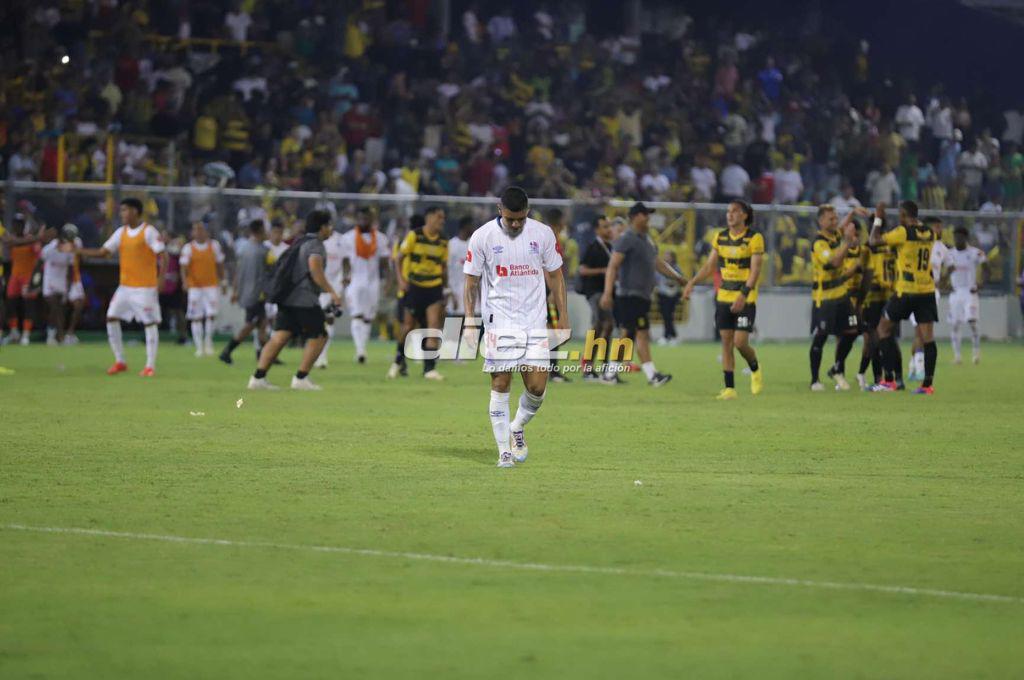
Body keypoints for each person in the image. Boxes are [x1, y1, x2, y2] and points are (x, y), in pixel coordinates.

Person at [462, 186, 568, 468]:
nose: (516, 224)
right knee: (500, 383)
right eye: (511, 219)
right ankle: (503, 453)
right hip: (500, 320)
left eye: (521, 218)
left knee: (537, 388)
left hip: (535, 320)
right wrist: (471, 321)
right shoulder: (482, 236)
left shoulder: (543, 234)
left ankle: (517, 427)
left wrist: (563, 318)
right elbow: (471, 282)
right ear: (500, 211)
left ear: (527, 212)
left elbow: (556, 276)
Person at [248, 210, 342, 390]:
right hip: (303, 298)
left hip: (287, 296)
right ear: (322, 227)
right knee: (320, 335)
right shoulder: (315, 245)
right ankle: (301, 377)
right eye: (329, 226)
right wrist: (332, 292)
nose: (330, 230)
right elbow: (315, 270)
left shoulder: (299, 242)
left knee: (280, 335)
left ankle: (258, 378)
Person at [683, 200, 764, 399]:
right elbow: (710, 267)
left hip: (745, 298)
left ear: (744, 215)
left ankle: (755, 367)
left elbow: (755, 271)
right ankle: (729, 388)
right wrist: (692, 282)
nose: (730, 215)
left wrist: (743, 295)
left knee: (740, 342)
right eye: (728, 211)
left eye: (735, 211)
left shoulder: (755, 238)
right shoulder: (719, 237)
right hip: (724, 296)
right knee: (726, 343)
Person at [78, 198, 168, 377]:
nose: (122, 214)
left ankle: (150, 366)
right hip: (125, 287)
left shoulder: (148, 232)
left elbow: (163, 255)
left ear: (135, 211)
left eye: (125, 210)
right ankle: (120, 361)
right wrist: (78, 251)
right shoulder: (121, 233)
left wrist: (161, 279)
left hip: (145, 287)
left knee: (149, 323)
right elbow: (104, 252)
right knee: (111, 318)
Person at [600, 202, 684, 387]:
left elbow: (659, 264)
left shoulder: (647, 240)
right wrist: (607, 293)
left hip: (641, 296)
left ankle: (611, 373)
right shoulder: (627, 238)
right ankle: (651, 375)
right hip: (629, 295)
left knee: (631, 335)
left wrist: (678, 278)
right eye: (645, 214)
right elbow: (613, 266)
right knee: (637, 333)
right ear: (635, 217)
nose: (648, 218)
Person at [869, 201, 940, 394]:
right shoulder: (930, 233)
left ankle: (889, 381)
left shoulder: (902, 232)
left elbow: (873, 241)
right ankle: (927, 385)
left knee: (883, 329)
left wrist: (878, 218)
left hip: (906, 291)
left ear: (902, 214)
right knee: (928, 338)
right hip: (926, 290)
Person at [388, 206, 448, 381]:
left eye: (443, 218)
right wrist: (400, 281)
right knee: (408, 327)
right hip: (415, 287)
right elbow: (398, 258)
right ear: (429, 218)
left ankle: (429, 369)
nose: (442, 221)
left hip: (434, 287)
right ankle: (398, 361)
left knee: (433, 327)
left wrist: (446, 288)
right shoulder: (415, 235)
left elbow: (443, 267)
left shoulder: (444, 240)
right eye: (439, 217)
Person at [808, 204, 863, 391]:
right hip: (825, 297)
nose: (835, 221)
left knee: (852, 331)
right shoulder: (819, 243)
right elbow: (834, 261)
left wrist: (853, 213)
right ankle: (814, 380)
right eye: (831, 218)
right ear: (821, 221)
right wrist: (847, 243)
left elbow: (843, 228)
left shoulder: (835, 235)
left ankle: (837, 367)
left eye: (835, 217)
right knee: (821, 336)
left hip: (842, 294)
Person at [339, 206, 390, 363]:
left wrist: (388, 280)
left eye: (366, 218)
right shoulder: (348, 237)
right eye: (360, 218)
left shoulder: (381, 238)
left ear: (372, 220)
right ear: (356, 219)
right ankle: (360, 351)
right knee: (357, 314)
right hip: (355, 280)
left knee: (368, 317)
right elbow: (346, 260)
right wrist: (346, 276)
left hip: (373, 282)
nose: (363, 221)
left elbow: (384, 262)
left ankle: (362, 349)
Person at [220, 220, 272, 364]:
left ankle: (265, 356)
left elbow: (238, 272)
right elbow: (271, 272)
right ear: (260, 231)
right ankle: (227, 351)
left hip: (247, 292)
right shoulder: (263, 251)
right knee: (250, 325)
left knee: (262, 325)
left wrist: (236, 291)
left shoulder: (244, 249)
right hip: (257, 294)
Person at [907, 217, 947, 380]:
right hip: (916, 291)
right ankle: (919, 367)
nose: (939, 230)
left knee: (924, 332)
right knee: (920, 332)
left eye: (940, 226)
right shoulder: (917, 244)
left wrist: (942, 282)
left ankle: (913, 365)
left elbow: (946, 268)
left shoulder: (942, 248)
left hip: (932, 292)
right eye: (936, 226)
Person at [857, 224, 897, 389]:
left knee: (876, 339)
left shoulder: (869, 247)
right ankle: (888, 378)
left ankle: (882, 378)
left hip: (875, 298)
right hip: (887, 296)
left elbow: (863, 271)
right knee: (882, 338)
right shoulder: (892, 247)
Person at [943, 226, 988, 364]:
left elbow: (987, 267)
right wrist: (945, 283)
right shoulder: (949, 254)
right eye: (955, 237)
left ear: (965, 238)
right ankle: (957, 357)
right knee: (955, 325)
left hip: (970, 292)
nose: (957, 239)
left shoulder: (975, 253)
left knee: (972, 322)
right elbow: (948, 272)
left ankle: (976, 354)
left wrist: (981, 284)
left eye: (960, 237)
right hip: (956, 293)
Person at [180, 222, 226, 357]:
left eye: (201, 230)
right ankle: (199, 346)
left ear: (207, 232)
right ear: (192, 233)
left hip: (211, 285)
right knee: (196, 316)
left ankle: (208, 342)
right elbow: (183, 267)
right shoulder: (188, 248)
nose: (198, 232)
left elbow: (220, 264)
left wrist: (223, 281)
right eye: (196, 230)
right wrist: (184, 282)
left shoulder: (214, 246)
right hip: (195, 287)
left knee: (211, 314)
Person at [577, 215, 614, 380]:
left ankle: (593, 365)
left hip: (607, 291)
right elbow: (582, 270)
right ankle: (594, 366)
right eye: (605, 226)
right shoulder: (593, 247)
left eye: (609, 226)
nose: (608, 229)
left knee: (602, 326)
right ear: (597, 230)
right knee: (606, 324)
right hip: (595, 291)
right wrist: (602, 271)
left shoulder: (611, 247)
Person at [2, 213, 43, 345]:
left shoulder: (31, 240)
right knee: (10, 303)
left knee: (28, 305)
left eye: (20, 224)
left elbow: (39, 258)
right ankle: (14, 332)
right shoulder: (12, 240)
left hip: (28, 276)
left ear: (24, 225)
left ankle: (26, 334)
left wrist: (36, 279)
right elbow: (9, 246)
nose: (17, 226)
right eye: (15, 224)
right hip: (15, 275)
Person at [312, 215, 348, 369]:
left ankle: (322, 356)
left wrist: (346, 276)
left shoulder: (341, 240)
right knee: (319, 320)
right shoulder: (317, 241)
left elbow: (346, 261)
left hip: (335, 284)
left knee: (330, 318)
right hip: (320, 284)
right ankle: (317, 354)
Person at [40, 224, 78, 345]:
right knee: (54, 306)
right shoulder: (50, 248)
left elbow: (71, 268)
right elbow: (40, 261)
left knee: (59, 309)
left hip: (62, 282)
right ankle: (59, 335)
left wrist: (69, 285)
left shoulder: (70, 248)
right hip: (49, 280)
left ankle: (53, 334)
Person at [447, 216, 474, 316]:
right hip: (455, 296)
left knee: (471, 330)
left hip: (472, 297)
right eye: (472, 226)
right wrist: (450, 292)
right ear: (466, 227)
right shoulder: (451, 245)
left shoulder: (474, 244)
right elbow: (446, 270)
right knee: (453, 330)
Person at [656, 251, 682, 345]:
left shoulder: (676, 268)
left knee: (668, 316)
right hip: (662, 293)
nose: (666, 257)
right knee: (666, 316)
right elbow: (657, 279)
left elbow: (679, 279)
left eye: (668, 255)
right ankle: (670, 335)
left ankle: (669, 336)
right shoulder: (660, 266)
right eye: (665, 255)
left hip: (673, 294)